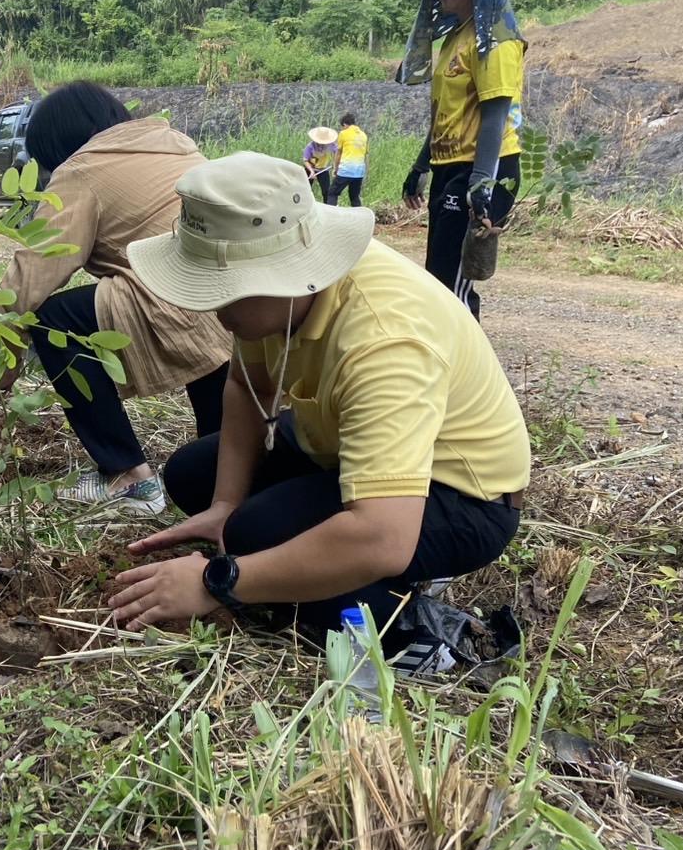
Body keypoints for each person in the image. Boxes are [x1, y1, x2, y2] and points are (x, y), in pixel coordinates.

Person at [107, 152, 529, 636]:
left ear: (283, 273)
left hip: (459, 492)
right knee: (192, 477)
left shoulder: (385, 340)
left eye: (222, 290)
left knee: (254, 537)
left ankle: (419, 625)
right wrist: (224, 503)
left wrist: (216, 582)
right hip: (337, 441)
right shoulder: (275, 302)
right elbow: (248, 386)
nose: (212, 307)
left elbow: (381, 538)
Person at [2, 81, 231, 515]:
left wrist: (3, 356)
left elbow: (35, 271)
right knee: (215, 366)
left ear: (57, 145)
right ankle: (227, 489)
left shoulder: (81, 170)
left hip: (175, 298)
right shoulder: (173, 142)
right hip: (237, 294)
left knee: (54, 320)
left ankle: (129, 478)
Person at [398, 0, 526, 319]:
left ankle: (463, 371)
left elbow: (495, 114)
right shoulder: (457, 36)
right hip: (449, 168)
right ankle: (455, 365)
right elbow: (445, 116)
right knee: (440, 277)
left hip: (484, 167)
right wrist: (421, 166)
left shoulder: (496, 41)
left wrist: (481, 184)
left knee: (450, 289)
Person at [327, 112, 367, 207]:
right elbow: (365, 155)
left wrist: (335, 169)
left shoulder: (343, 133)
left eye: (342, 126)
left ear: (345, 124)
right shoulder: (363, 135)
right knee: (354, 197)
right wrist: (365, 173)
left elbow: (338, 153)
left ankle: (330, 215)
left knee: (332, 193)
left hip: (346, 170)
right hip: (359, 172)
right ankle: (359, 218)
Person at [301, 127, 337, 203]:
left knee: (326, 191)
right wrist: (311, 171)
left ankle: (327, 207)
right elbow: (305, 160)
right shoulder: (310, 147)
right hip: (310, 169)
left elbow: (337, 154)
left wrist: (335, 164)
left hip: (323, 170)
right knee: (306, 189)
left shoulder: (331, 145)